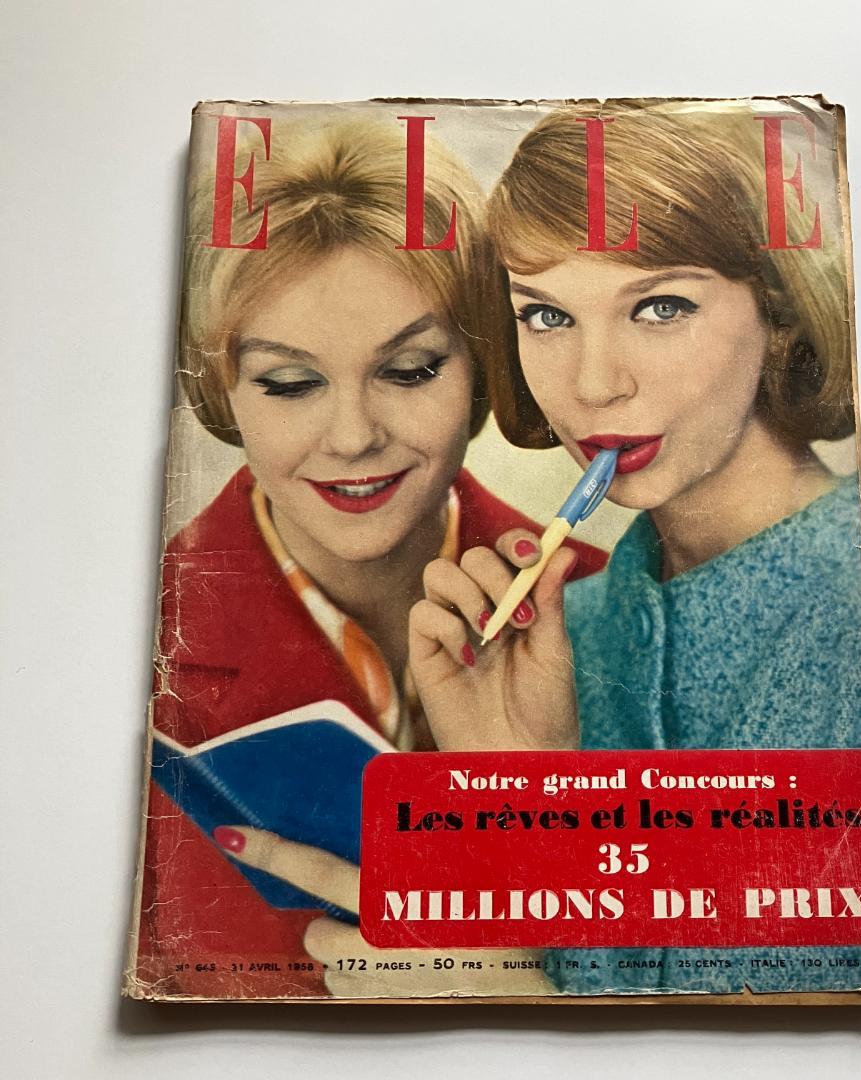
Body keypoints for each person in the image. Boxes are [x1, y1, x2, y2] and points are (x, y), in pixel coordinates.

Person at [409, 102, 861, 995]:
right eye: (546, 316)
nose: (594, 385)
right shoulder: (564, 634)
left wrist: (518, 999)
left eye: (660, 307)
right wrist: (519, 789)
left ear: (781, 314)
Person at [133, 117, 605, 999]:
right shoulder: (142, 630)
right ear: (224, 388)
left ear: (484, 365)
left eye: (411, 369)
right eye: (289, 383)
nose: (352, 437)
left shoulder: (613, 602)